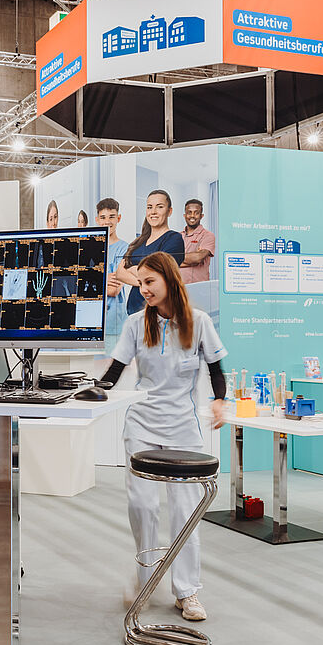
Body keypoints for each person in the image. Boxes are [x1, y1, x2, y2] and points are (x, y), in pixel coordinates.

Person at [100, 253, 226, 621]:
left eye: (149, 282)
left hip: (182, 427)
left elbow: (216, 368)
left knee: (185, 510)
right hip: (142, 422)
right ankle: (146, 581)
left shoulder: (199, 322)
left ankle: (187, 591)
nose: (143, 289)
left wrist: (219, 400)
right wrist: (91, 391)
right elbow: (115, 370)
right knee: (142, 506)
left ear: (169, 280)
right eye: (140, 283)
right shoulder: (135, 324)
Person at [115, 189, 185, 316]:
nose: (153, 211)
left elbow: (162, 276)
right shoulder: (139, 242)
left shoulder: (174, 239)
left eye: (159, 207)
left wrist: (132, 270)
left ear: (169, 211)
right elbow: (120, 273)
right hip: (133, 312)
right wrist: (148, 281)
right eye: (149, 207)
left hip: (158, 313)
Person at [95, 197, 128, 353]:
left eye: (111, 217)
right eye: (103, 217)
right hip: (93, 323)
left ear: (118, 218)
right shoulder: (91, 248)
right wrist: (105, 279)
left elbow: (114, 290)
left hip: (114, 326)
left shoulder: (124, 249)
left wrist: (93, 280)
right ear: (97, 220)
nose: (107, 221)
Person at [180, 199, 216, 284]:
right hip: (178, 287)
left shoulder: (208, 235)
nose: (192, 216)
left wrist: (176, 259)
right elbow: (167, 261)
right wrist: (191, 259)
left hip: (199, 287)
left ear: (201, 216)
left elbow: (198, 258)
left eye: (196, 213)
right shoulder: (177, 236)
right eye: (189, 212)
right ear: (184, 215)